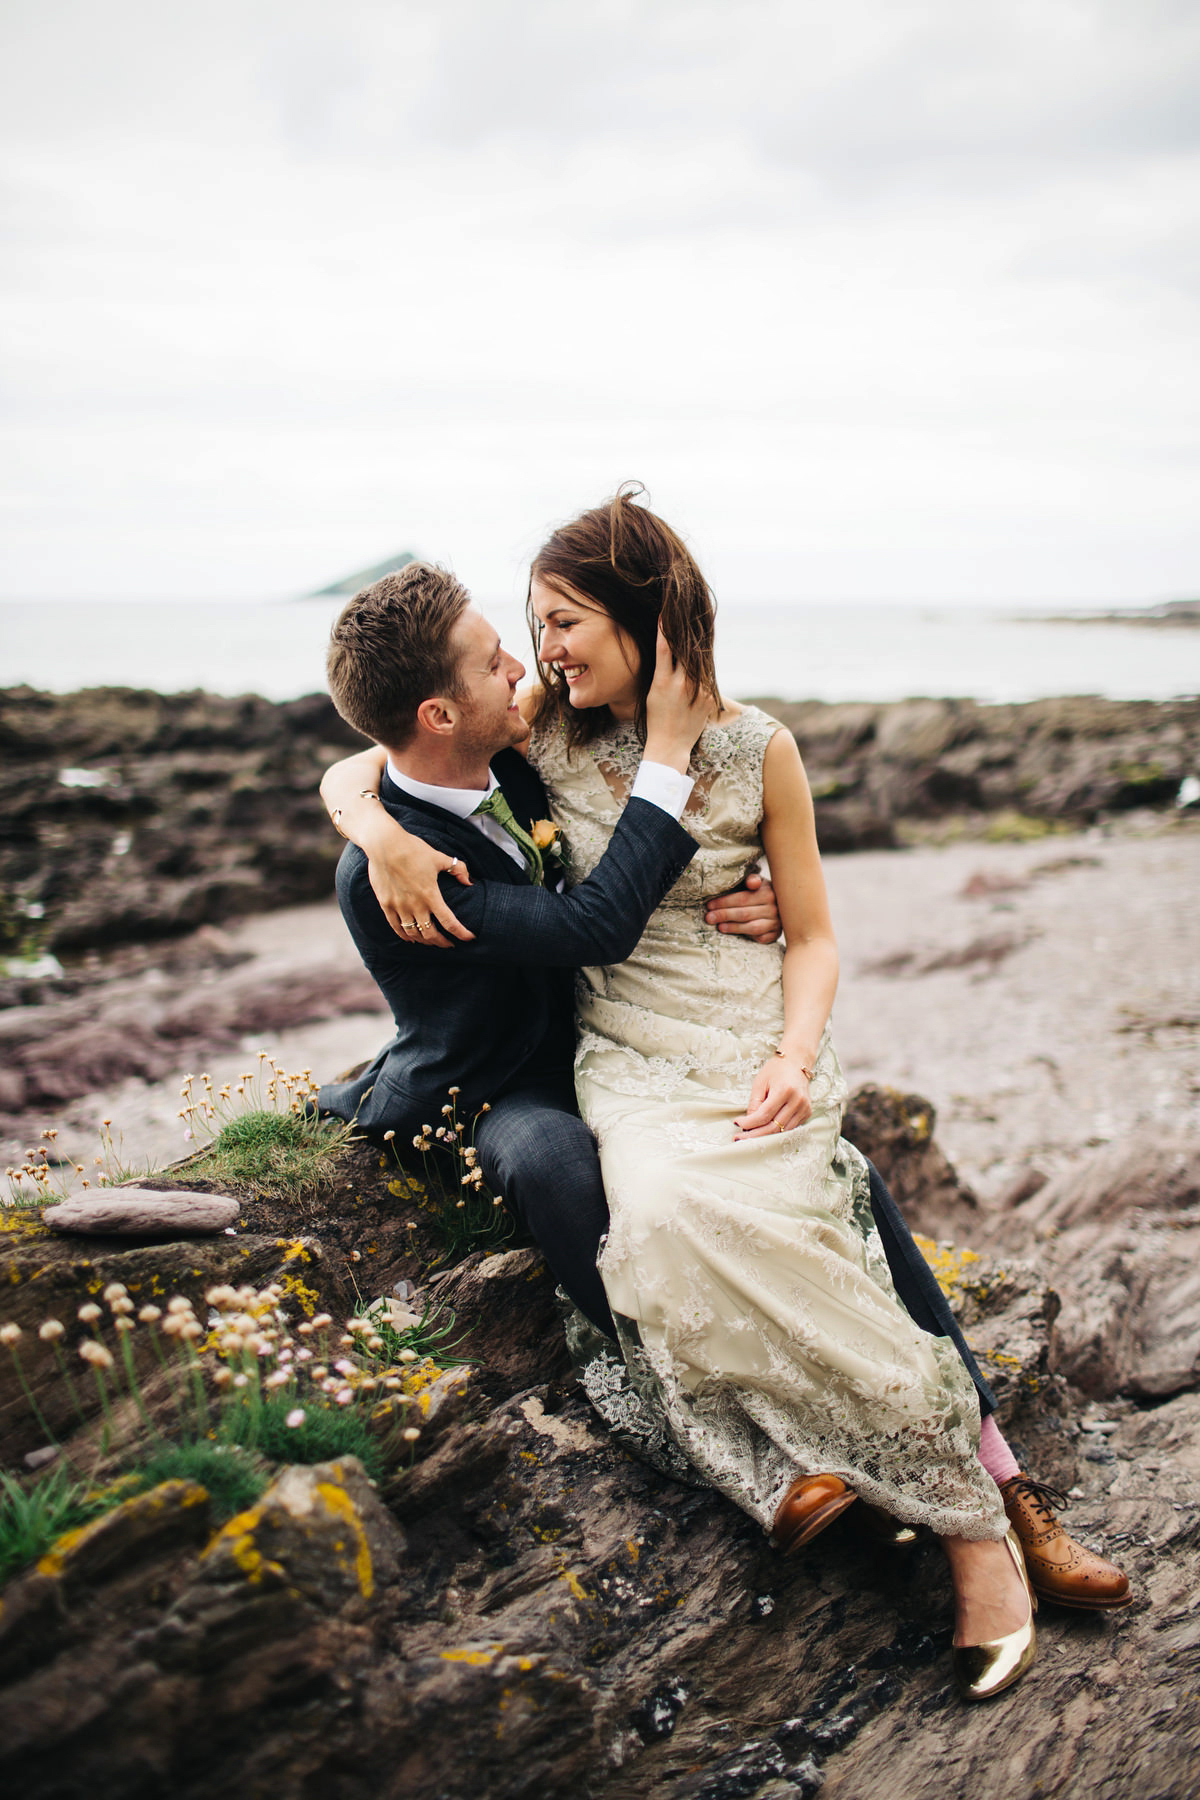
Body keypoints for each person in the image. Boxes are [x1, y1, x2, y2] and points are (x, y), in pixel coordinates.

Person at [321, 509, 1130, 1698]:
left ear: (639, 622)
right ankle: (882, 1487)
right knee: (661, 1206)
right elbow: (385, 759)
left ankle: (1001, 1491)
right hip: (577, 1061)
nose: (534, 658)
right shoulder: (521, 748)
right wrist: (371, 826)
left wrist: (793, 1044)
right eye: (522, 634)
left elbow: (811, 929)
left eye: (556, 624)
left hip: (738, 1024)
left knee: (831, 1187)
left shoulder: (743, 745)